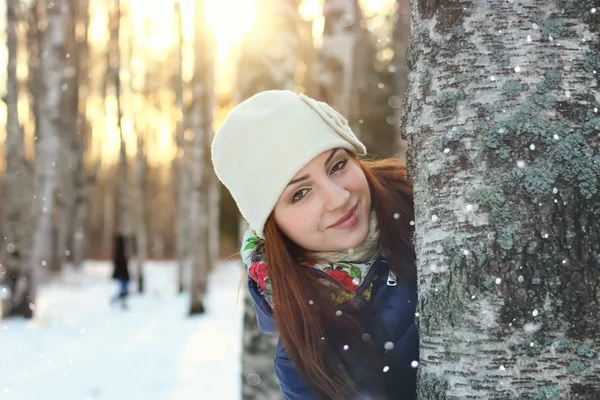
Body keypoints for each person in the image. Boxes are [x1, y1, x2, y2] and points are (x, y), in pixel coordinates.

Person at [212, 90, 418, 400]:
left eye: (337, 166)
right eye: (300, 194)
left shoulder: (429, 205)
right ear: (273, 224)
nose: (338, 199)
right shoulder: (307, 362)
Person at [111, 233, 130, 305]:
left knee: (123, 288)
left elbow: (117, 263)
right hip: (123, 274)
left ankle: (121, 300)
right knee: (123, 289)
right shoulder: (121, 250)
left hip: (122, 274)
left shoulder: (119, 250)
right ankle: (122, 301)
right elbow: (120, 263)